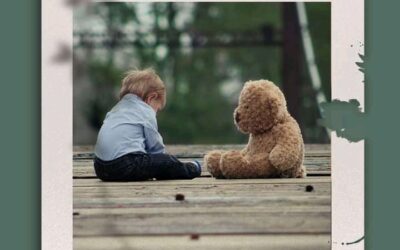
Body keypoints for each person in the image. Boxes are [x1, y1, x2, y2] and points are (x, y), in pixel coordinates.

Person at [93, 68, 201, 181]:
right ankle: (191, 168)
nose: (156, 113)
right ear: (151, 98)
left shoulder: (115, 110)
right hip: (125, 165)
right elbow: (155, 146)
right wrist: (161, 161)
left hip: (100, 167)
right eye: (157, 109)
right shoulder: (145, 111)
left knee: (146, 162)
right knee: (168, 161)